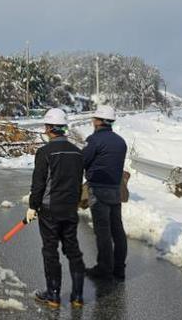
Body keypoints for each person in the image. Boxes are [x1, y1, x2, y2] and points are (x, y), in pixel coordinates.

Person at [28, 108, 85, 309]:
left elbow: (38, 185)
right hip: (70, 210)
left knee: (50, 252)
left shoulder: (45, 153)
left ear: (49, 128)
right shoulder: (78, 153)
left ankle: (53, 295)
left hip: (50, 211)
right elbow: (78, 183)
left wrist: (32, 206)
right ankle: (77, 296)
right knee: (73, 251)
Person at [83, 105, 128, 281]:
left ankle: (104, 269)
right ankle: (119, 269)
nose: (92, 121)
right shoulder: (120, 141)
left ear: (98, 121)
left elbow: (83, 160)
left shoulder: (93, 140)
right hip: (115, 190)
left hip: (98, 190)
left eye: (94, 118)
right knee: (117, 230)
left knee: (102, 232)